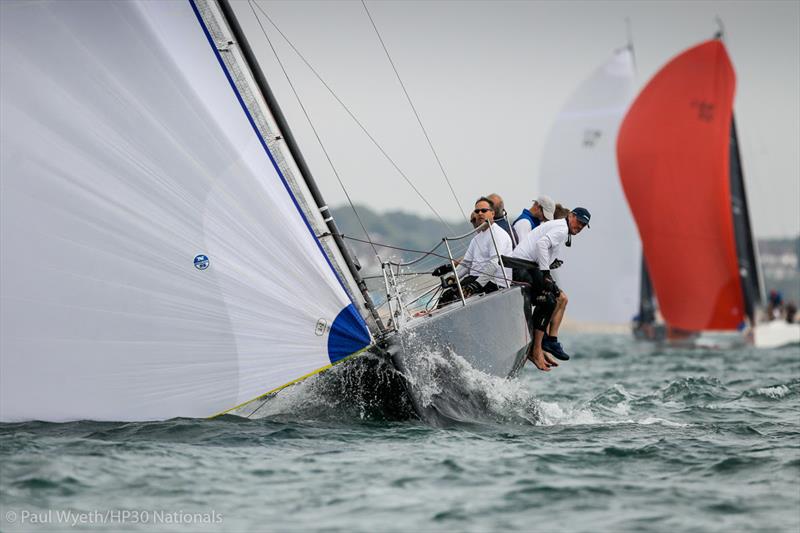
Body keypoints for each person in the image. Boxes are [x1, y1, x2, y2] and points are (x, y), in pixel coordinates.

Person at [511, 207, 591, 371]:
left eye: (583, 225)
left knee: (560, 299)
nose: (580, 227)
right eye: (579, 222)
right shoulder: (562, 229)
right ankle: (537, 348)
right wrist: (546, 272)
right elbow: (541, 244)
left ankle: (549, 341)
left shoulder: (561, 228)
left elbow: (544, 248)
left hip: (529, 266)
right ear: (571, 216)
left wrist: (549, 265)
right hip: (521, 267)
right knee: (548, 302)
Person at [435, 197, 513, 307]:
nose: (480, 213)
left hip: (495, 283)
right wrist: (453, 277)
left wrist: (477, 285)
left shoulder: (497, 234)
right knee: (447, 295)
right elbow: (466, 263)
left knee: (452, 297)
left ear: (492, 213)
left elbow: (495, 263)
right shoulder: (477, 238)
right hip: (476, 278)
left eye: (484, 211)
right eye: (477, 211)